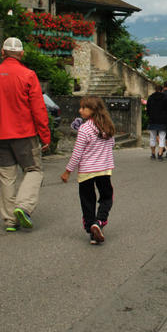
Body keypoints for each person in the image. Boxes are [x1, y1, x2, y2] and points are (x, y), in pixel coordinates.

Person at [0, 37, 51, 232]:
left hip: (0, 134)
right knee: (34, 170)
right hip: (24, 133)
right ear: (21, 54)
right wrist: (45, 135)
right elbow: (38, 109)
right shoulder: (28, 75)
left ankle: (10, 220)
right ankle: (23, 207)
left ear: (2, 53)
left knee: (7, 176)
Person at [61, 96, 116, 245]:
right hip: (104, 170)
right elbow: (112, 145)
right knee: (106, 198)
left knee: (87, 201)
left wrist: (68, 171)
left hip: (86, 172)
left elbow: (77, 153)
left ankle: (92, 229)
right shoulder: (108, 126)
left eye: (84, 108)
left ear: (93, 110)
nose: (80, 110)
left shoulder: (84, 128)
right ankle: (99, 222)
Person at [146, 84, 167, 160]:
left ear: (155, 89)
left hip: (152, 120)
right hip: (162, 121)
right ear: (162, 90)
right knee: (162, 137)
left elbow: (148, 109)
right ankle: (160, 154)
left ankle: (153, 154)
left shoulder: (150, 98)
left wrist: (150, 116)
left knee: (152, 138)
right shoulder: (165, 98)